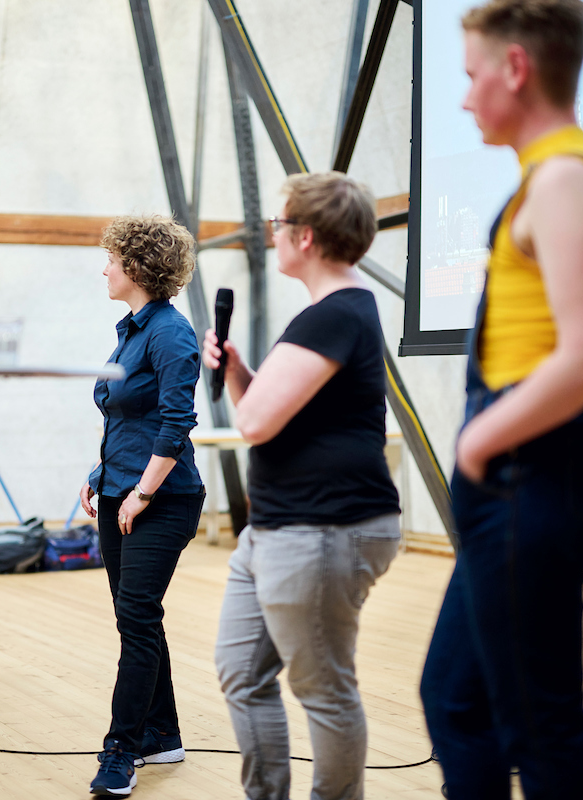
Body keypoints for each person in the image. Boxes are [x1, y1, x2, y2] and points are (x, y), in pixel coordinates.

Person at [418, 2, 583, 798]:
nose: (466, 97)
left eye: (472, 76)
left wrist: (477, 447)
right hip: (521, 475)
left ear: (515, 68)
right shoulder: (550, 177)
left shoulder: (566, 177)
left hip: (536, 473)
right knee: (457, 700)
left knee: (537, 727)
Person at [206, 171, 402, 800]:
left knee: (323, 688)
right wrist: (241, 373)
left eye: (279, 224)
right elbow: (278, 413)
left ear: (307, 236)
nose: (273, 235)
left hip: (324, 529)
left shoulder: (336, 313)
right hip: (278, 528)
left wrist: (248, 392)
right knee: (242, 671)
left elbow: (257, 423)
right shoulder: (330, 313)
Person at [78, 214, 207, 796]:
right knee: (139, 621)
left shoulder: (171, 333)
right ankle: (163, 734)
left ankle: (121, 749)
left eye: (111, 258)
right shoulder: (131, 329)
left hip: (163, 499)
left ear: (135, 266)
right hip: (117, 492)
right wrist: (98, 475)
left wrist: (143, 492)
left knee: (135, 620)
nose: (104, 267)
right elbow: (127, 416)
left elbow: (177, 424)